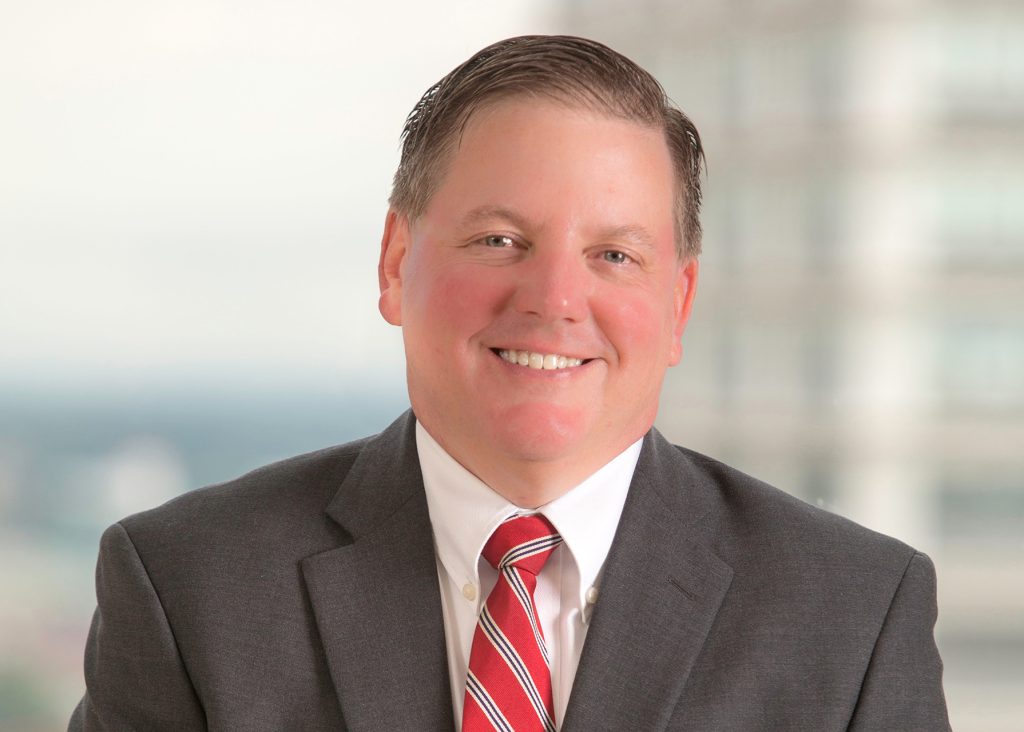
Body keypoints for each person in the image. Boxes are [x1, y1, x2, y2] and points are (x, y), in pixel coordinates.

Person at [69, 35, 950, 731]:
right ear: (396, 262)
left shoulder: (853, 613)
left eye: (614, 255)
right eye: (500, 240)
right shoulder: (190, 587)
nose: (554, 299)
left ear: (678, 305)